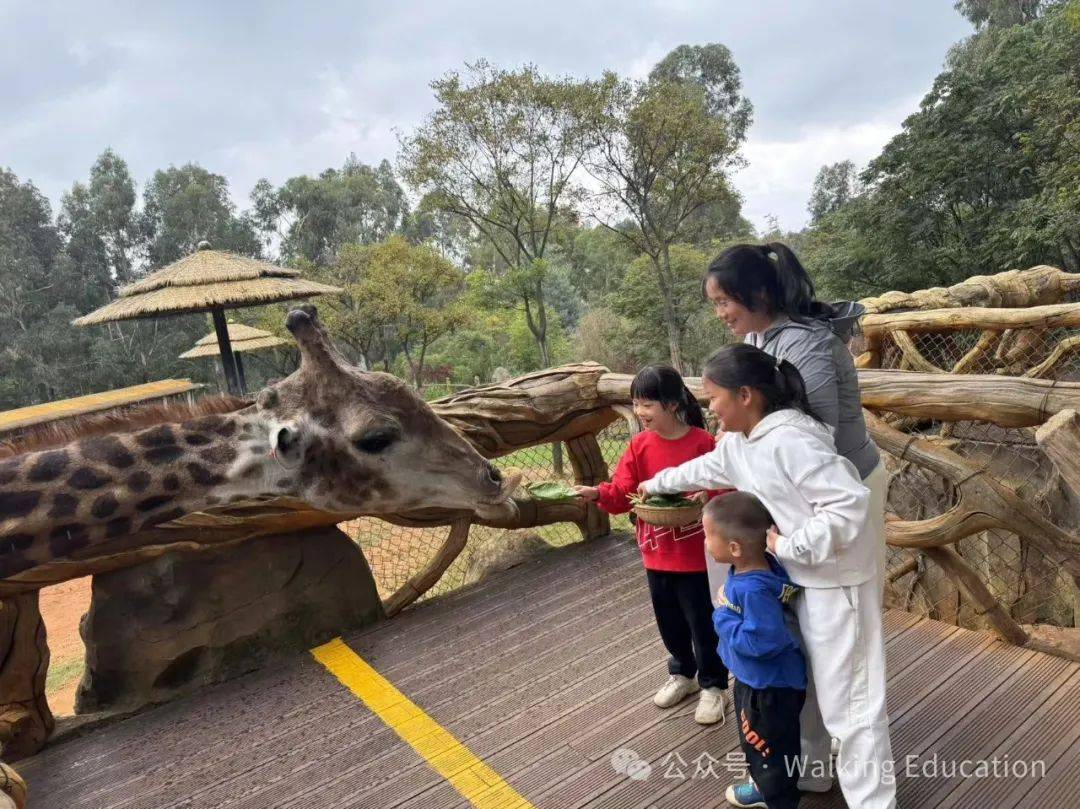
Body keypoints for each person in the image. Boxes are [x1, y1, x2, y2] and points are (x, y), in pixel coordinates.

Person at [639, 345, 896, 809]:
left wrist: (788, 545)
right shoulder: (742, 443)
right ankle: (809, 777)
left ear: (745, 395)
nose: (709, 407)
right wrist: (656, 483)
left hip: (836, 584)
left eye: (713, 397)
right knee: (806, 689)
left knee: (852, 707)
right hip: (795, 582)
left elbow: (849, 503)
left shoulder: (792, 440)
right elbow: (706, 467)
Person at [575, 364, 729, 724]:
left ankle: (713, 685)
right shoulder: (639, 445)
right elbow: (621, 492)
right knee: (669, 621)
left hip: (695, 556)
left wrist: (705, 495)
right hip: (656, 553)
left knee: (703, 623)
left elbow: (723, 489)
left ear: (673, 404)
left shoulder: (702, 444)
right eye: (636, 404)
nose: (640, 412)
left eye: (648, 404)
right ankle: (682, 674)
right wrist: (597, 493)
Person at [705, 492, 806, 809]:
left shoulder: (753, 590)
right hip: (761, 682)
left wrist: (722, 615)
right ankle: (767, 790)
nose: (706, 543)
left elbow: (763, 642)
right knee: (768, 748)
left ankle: (778, 799)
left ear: (734, 548)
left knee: (767, 750)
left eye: (709, 536)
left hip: (767, 690)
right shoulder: (759, 571)